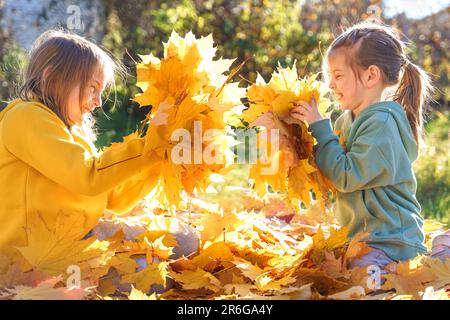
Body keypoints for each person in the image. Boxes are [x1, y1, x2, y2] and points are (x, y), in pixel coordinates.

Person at [0, 30, 199, 263]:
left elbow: (115, 199)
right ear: (51, 78)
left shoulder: (71, 130)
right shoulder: (26, 117)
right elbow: (88, 176)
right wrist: (152, 146)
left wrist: (161, 159)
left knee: (186, 238)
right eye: (93, 88)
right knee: (150, 271)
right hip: (38, 254)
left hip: (82, 233)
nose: (98, 102)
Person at [289, 21, 449, 269]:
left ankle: (439, 256)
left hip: (391, 241)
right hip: (361, 238)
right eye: (330, 76)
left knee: (366, 282)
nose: (331, 84)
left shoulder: (382, 123)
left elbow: (346, 176)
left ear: (371, 76)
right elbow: (332, 171)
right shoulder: (346, 120)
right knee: (328, 270)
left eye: (338, 75)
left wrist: (321, 128)